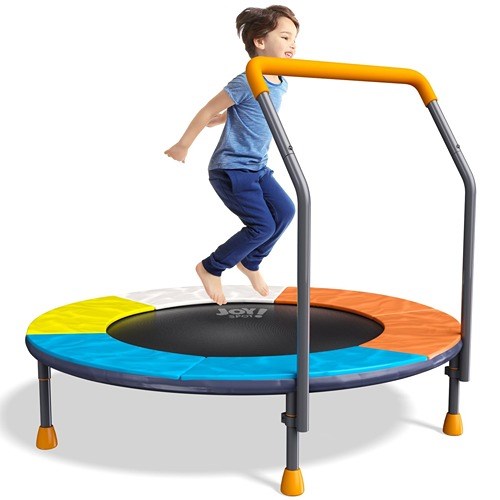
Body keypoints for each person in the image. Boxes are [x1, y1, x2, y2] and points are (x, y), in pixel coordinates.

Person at [165, 5, 299, 306]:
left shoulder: (281, 81)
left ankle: (250, 261)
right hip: (232, 169)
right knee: (262, 225)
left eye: (294, 39)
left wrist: (228, 117)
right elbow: (207, 109)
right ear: (260, 42)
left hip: (258, 167)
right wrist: (183, 145)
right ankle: (211, 267)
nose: (292, 45)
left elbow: (255, 112)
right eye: (285, 37)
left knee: (286, 211)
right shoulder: (247, 80)